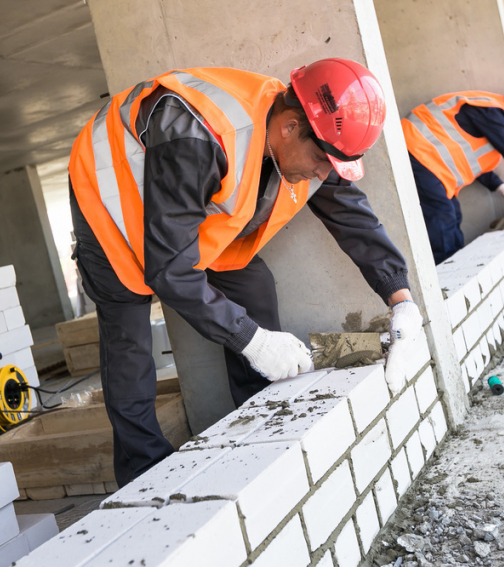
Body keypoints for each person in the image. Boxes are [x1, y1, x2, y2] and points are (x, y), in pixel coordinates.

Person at [67, 59, 422, 485]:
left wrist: (400, 299)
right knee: (129, 338)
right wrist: (251, 340)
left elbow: (353, 217)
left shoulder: (306, 134)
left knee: (251, 285)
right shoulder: (198, 136)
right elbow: (169, 269)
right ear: (290, 127)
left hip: (177, 208)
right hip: (111, 202)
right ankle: (146, 476)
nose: (322, 174)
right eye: (321, 159)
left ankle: (262, 417)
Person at [402, 85, 504, 264]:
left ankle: (454, 267)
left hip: (429, 159)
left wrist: (500, 186)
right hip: (417, 149)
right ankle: (447, 277)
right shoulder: (492, 110)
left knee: (452, 214)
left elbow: (471, 157)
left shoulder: (491, 113)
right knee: (442, 217)